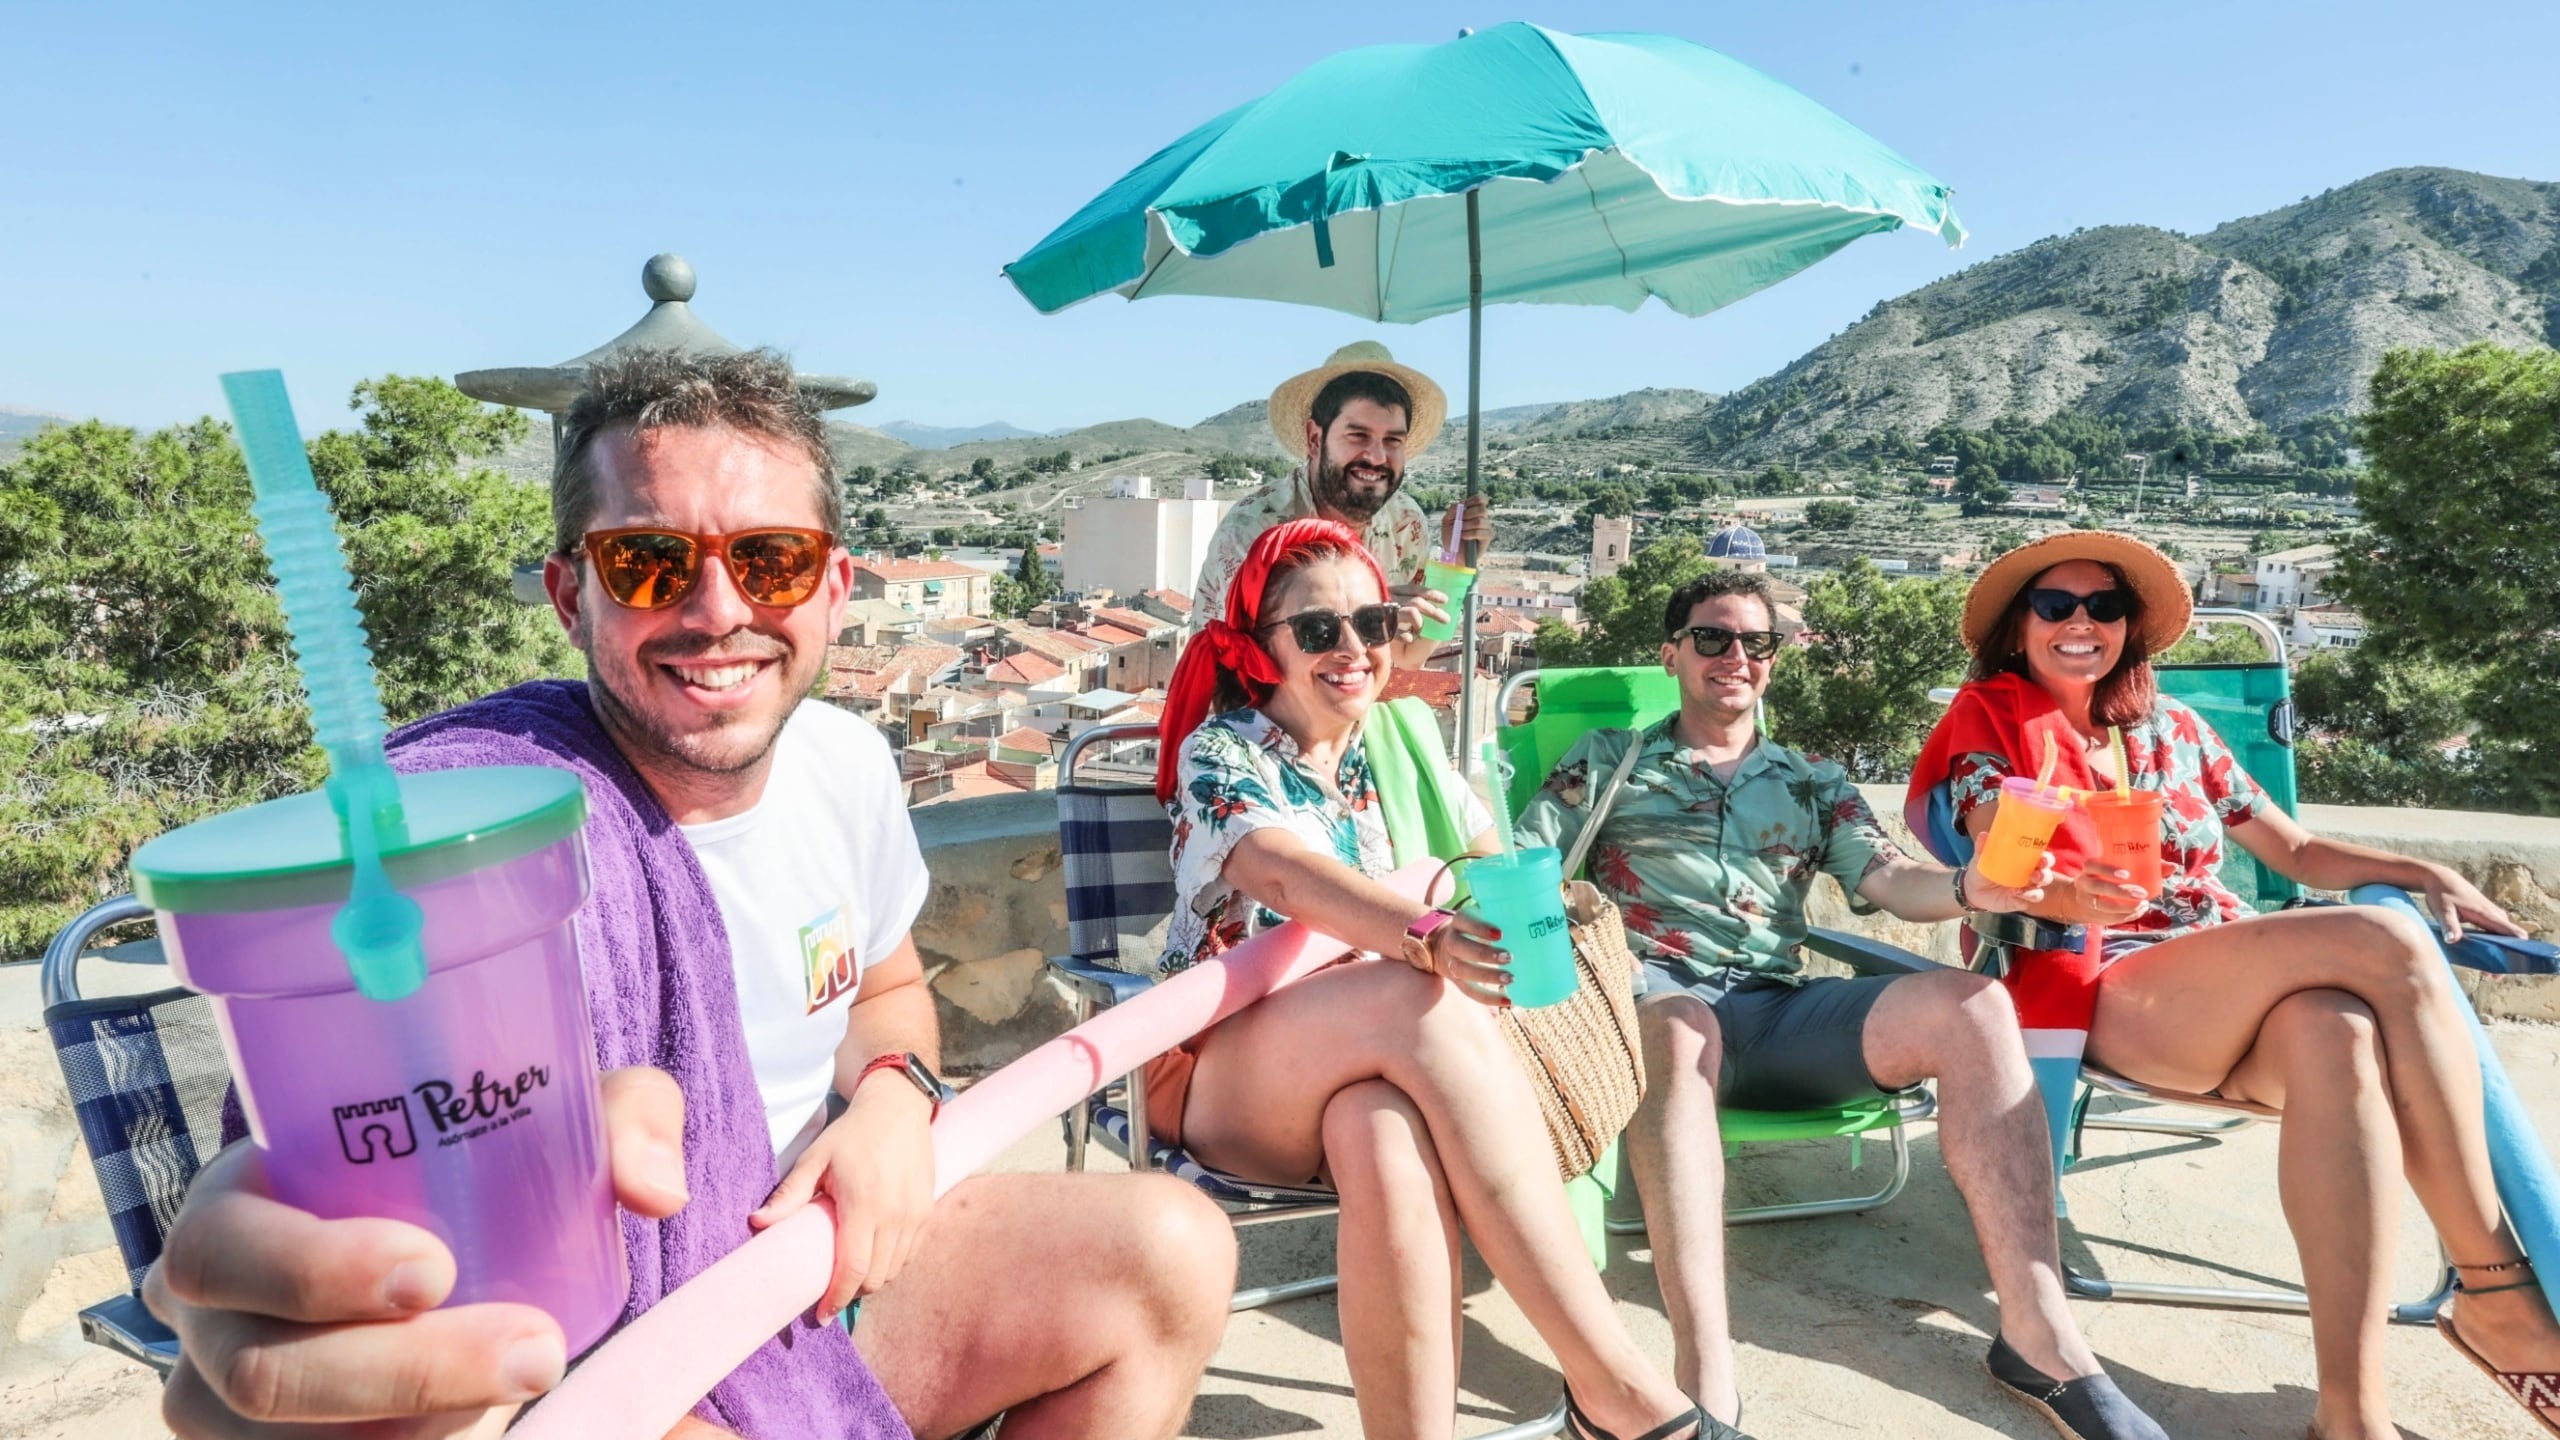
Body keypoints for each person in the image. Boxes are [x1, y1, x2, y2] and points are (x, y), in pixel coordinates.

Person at [142, 348, 1236, 1440]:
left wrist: (899, 1099)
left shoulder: (847, 766)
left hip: (810, 1275)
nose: (718, 610)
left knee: (1171, 1253)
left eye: (771, 558)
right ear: (573, 595)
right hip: (601, 1338)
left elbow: (888, 988)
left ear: (833, 587)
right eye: (650, 561)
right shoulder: (480, 863)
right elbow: (393, 1171)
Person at [1909, 530, 2554, 1440]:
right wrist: (2047, 854)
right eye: (2055, 606)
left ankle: (2351, 1416)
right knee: (2389, 939)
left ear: (2132, 628)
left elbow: (2292, 850)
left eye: (2105, 606)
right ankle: (2496, 1289)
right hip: (2100, 977)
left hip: (2224, 971)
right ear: (2020, 629)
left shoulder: (2176, 729)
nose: (2081, 622)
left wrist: (2420, 867)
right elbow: (1991, 847)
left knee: (2340, 1029)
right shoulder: (1992, 719)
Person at [1515, 568, 2173, 1440]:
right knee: (1678, 1027)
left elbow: (1892, 879)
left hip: (1775, 1015)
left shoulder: (1812, 781)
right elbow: (1521, 871)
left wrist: (1977, 886)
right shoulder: (1607, 759)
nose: (1735, 657)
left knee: (1976, 1003)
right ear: (1673, 652)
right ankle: (1704, 1374)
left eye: (1756, 642)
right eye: (1712, 638)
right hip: (1651, 1013)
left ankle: (2042, 1338)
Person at [1153, 517, 1709, 1440]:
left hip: (1365, 1071)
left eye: (1369, 625)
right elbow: (1283, 874)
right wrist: (1425, 934)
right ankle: (1620, 1389)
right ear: (1261, 649)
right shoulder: (1223, 756)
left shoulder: (1395, 752)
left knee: (1380, 1133)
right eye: (1318, 631)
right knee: (1416, 998)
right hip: (1223, 1072)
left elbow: (1489, 862)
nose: (1353, 650)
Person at [1190, 341, 1489, 671]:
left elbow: (1407, 658)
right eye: (1358, 436)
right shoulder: (1256, 530)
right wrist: (1368, 615)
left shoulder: (1405, 523)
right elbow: (1256, 669)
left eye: (1393, 441)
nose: (1377, 457)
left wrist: (1458, 564)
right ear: (1315, 439)